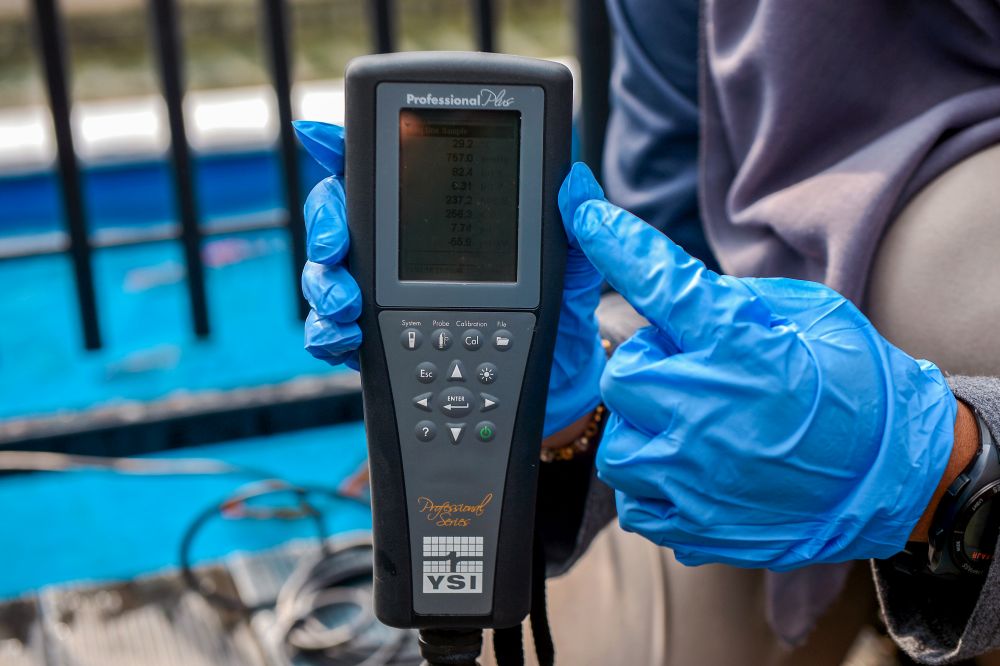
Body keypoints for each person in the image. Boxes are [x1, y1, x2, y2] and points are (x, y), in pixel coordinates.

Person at [294, 1, 1000, 663]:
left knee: (961, 270)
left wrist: (949, 468)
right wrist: (578, 403)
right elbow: (663, 228)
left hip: (958, 398)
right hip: (745, 422)